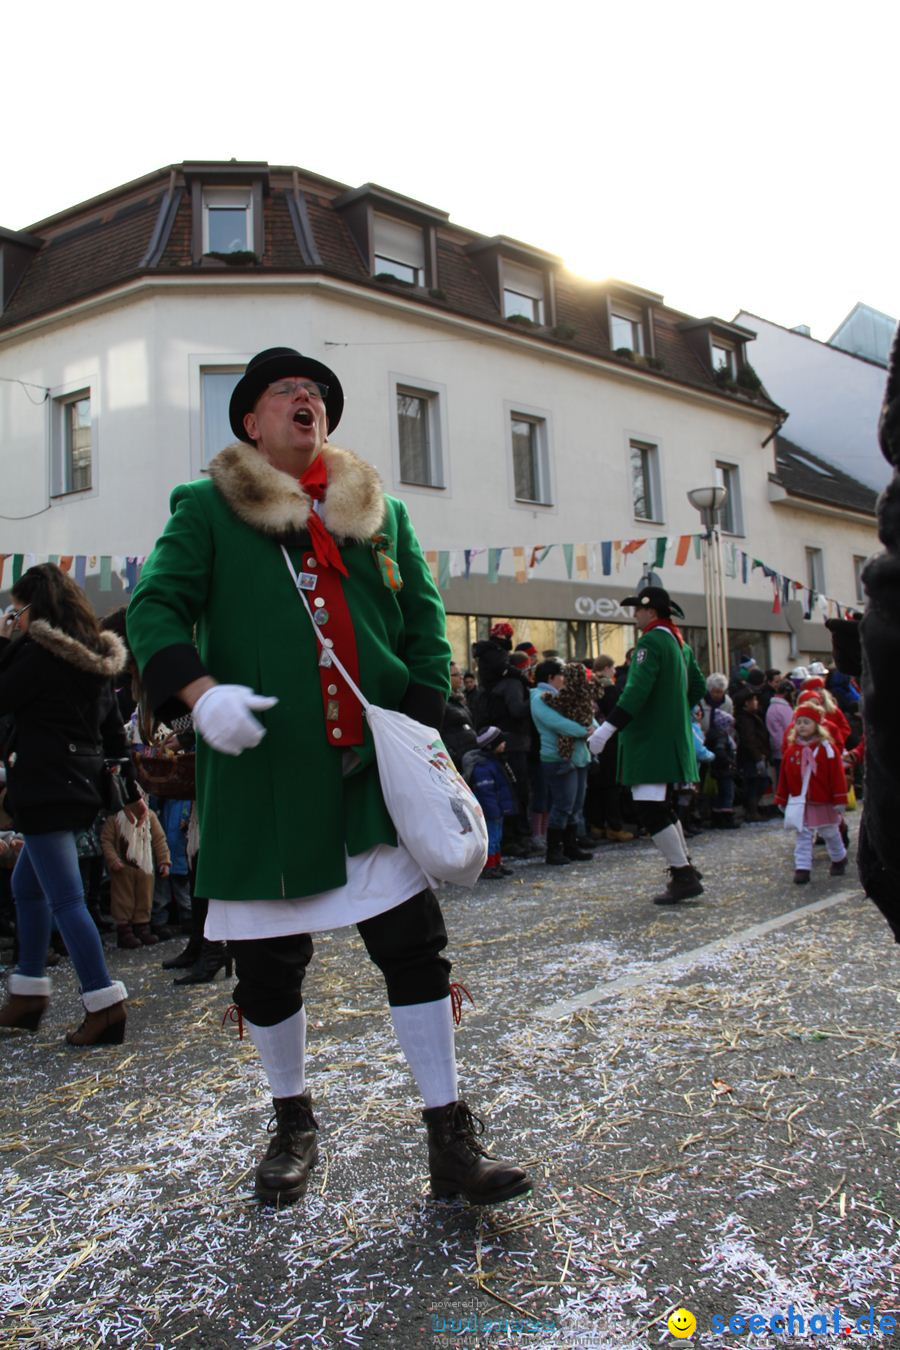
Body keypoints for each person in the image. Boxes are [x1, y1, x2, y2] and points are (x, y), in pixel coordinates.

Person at [126, 346, 529, 1208]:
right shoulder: (205, 506)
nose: (307, 398)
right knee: (269, 970)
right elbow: (156, 606)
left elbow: (423, 622)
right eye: (287, 390)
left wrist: (420, 724)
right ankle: (292, 1122)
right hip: (263, 778)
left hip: (367, 778)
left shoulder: (379, 515)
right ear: (250, 420)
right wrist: (199, 696)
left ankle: (450, 1138)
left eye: (318, 393)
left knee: (414, 950)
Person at [0, 563, 146, 1044]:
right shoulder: (94, 658)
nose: (12, 617)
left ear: (33, 609)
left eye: (16, 609)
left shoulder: (37, 655)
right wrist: (128, 786)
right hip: (77, 784)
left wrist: (5, 643)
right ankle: (27, 993)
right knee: (30, 886)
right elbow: (110, 730)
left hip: (43, 785)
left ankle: (104, 1003)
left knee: (65, 898)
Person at [589, 587, 706, 904]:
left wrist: (606, 730)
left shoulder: (652, 640)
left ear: (650, 611)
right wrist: (676, 713)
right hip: (670, 737)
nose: (634, 616)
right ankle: (686, 868)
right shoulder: (678, 642)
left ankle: (682, 873)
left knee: (651, 808)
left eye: (637, 610)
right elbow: (698, 685)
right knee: (662, 806)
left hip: (650, 740)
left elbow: (636, 691)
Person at [529, 658, 594, 865]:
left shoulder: (564, 696)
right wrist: (585, 731)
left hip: (579, 756)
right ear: (551, 677)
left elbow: (586, 713)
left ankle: (570, 845)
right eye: (561, 676)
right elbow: (556, 723)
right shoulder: (540, 697)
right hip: (558, 757)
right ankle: (554, 850)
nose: (564, 680)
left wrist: (594, 727)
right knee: (563, 804)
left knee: (576, 804)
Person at [775, 705, 848, 884]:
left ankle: (839, 857)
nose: (801, 726)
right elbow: (784, 777)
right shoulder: (791, 751)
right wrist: (782, 797)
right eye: (798, 722)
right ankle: (802, 868)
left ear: (816, 725)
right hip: (801, 802)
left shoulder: (827, 750)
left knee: (830, 831)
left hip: (823, 800)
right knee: (803, 835)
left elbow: (837, 775)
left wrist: (839, 798)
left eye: (806, 722)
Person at [100, 798, 171, 948]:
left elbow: (159, 839)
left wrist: (164, 860)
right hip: (123, 868)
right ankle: (124, 930)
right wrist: (113, 859)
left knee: (145, 897)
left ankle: (142, 926)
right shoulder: (116, 818)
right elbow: (106, 840)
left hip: (145, 867)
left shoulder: (150, 816)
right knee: (122, 898)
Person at [462, 727, 517, 880]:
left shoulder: (496, 761)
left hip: (498, 809)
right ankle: (489, 866)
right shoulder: (483, 767)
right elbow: (486, 793)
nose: (505, 743)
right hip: (491, 810)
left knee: (497, 837)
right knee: (491, 839)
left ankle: (497, 862)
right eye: (500, 741)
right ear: (491, 745)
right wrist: (493, 809)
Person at [733, 687, 771, 822]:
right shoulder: (745, 719)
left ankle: (752, 810)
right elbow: (749, 739)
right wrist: (757, 757)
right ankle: (751, 811)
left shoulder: (751, 716)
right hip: (750, 757)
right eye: (753, 700)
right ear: (746, 703)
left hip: (756, 755)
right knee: (755, 783)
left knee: (758, 782)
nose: (756, 702)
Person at [441, 663, 477, 771]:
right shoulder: (441, 700)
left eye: (461, 674)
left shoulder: (459, 699)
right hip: (458, 761)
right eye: (456, 674)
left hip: (469, 755)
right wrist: (453, 755)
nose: (461, 677)